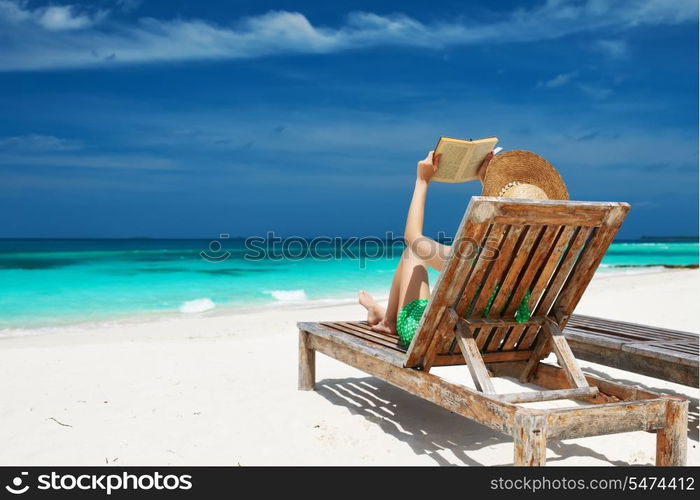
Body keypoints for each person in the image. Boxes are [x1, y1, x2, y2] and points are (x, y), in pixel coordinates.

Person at [358, 148, 569, 348]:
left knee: (412, 253)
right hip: (491, 339)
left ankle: (387, 321)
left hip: (442, 339)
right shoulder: (543, 258)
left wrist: (423, 180)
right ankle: (381, 314)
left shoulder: (478, 256)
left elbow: (412, 238)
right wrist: (485, 180)